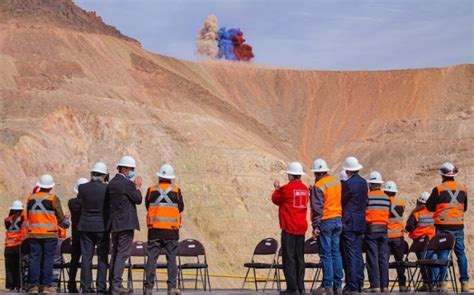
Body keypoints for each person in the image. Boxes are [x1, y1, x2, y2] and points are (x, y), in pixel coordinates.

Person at [426, 162, 469, 292]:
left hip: (443, 226)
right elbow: (465, 208)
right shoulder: (463, 189)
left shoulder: (438, 190)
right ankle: (465, 283)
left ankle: (443, 282)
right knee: (460, 254)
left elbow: (429, 207)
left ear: (442, 175)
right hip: (458, 225)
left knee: (443, 253)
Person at [144, 164, 185, 294]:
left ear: (160, 177)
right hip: (171, 231)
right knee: (171, 259)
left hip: (154, 230)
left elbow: (147, 206)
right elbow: (181, 208)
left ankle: (148, 287)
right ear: (171, 178)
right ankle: (172, 287)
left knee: (152, 259)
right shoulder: (176, 191)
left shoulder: (151, 190)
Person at [26, 174, 69, 293]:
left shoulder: (30, 198)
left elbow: (29, 214)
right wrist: (64, 221)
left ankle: (33, 286)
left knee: (34, 259)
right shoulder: (53, 199)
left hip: (34, 234)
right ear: (50, 187)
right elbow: (60, 217)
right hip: (49, 235)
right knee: (48, 259)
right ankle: (46, 286)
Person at [106, 156, 143, 292]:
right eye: (131, 169)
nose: (132, 171)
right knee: (122, 254)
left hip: (114, 224)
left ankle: (112, 283)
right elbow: (138, 199)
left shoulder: (112, 183)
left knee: (115, 253)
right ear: (124, 169)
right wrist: (137, 187)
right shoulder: (127, 184)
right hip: (126, 224)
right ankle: (116, 284)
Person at [272, 161, 308, 294]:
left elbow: (276, 199)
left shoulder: (286, 189)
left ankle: (292, 288)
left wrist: (276, 188)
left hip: (289, 227)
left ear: (291, 175)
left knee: (289, 258)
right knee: (300, 257)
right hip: (301, 228)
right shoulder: (305, 189)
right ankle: (301, 287)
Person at [309, 159, 343, 294]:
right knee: (336, 253)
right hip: (338, 220)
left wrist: (315, 225)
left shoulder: (319, 186)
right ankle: (338, 285)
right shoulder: (336, 182)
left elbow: (317, 208)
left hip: (326, 221)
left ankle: (327, 285)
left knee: (326, 254)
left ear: (317, 173)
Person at [78, 162, 110, 293]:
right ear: (104, 176)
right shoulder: (106, 189)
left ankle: (86, 287)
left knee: (86, 258)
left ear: (92, 174)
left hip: (85, 226)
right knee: (102, 257)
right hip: (101, 226)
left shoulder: (82, 188)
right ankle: (101, 287)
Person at [340, 156, 367, 293]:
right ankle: (359, 282)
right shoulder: (364, 183)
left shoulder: (348, 184)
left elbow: (342, 201)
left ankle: (352, 285)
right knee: (357, 253)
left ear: (347, 170)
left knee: (350, 254)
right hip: (360, 222)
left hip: (349, 222)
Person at [364, 171, 390, 293]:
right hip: (384, 229)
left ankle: (375, 285)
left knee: (372, 257)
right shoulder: (386, 197)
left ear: (370, 184)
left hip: (371, 229)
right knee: (383, 258)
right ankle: (384, 286)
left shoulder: (367, 196)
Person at [405, 192, 437, 292]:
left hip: (419, 243)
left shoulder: (416, 213)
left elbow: (409, 226)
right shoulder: (434, 213)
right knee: (432, 262)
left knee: (423, 264)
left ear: (418, 201)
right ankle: (433, 284)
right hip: (432, 242)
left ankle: (427, 283)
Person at [383, 181, 407, 292]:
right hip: (398, 236)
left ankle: (385, 285)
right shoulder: (401, 202)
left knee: (384, 261)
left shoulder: (383, 202)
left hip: (387, 235)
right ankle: (402, 284)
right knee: (400, 261)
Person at [67, 177, 89, 293]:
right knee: (86, 260)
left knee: (74, 260)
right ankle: (85, 285)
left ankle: (71, 284)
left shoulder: (71, 202)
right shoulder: (88, 204)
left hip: (75, 234)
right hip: (86, 235)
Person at [4, 200, 27, 291]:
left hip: (8, 246)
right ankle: (18, 285)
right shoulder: (22, 219)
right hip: (18, 245)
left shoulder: (7, 220)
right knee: (18, 266)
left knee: (9, 267)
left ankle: (10, 285)